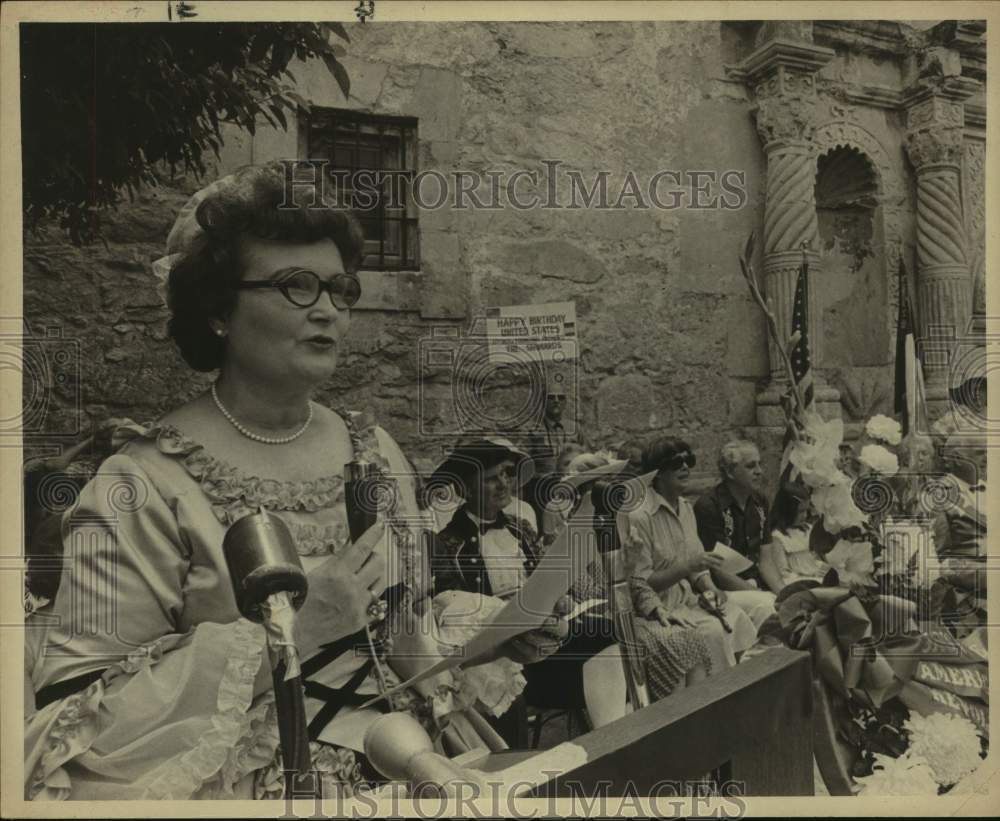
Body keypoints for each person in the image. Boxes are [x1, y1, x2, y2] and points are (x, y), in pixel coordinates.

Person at [23, 162, 563, 801]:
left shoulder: (377, 452)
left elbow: (397, 630)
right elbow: (75, 728)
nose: (328, 311)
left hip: (409, 761)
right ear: (219, 309)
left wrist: (490, 633)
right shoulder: (141, 484)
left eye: (340, 289)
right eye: (297, 286)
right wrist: (294, 631)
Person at [429, 437, 627, 735]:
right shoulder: (447, 543)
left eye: (507, 475)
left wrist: (560, 599)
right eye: (491, 479)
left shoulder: (520, 528)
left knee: (607, 631)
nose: (503, 484)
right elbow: (457, 615)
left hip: (543, 635)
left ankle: (614, 735)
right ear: (466, 488)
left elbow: (544, 578)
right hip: (504, 653)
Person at [617, 436, 773, 673]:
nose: (684, 467)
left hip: (690, 600)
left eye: (688, 460)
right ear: (657, 473)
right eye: (675, 463)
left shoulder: (685, 508)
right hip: (661, 607)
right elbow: (642, 582)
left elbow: (699, 566)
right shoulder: (640, 516)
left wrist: (711, 590)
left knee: (736, 616)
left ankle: (746, 682)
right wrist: (686, 568)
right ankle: (718, 695)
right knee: (713, 631)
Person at [693, 440, 782, 594]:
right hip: (725, 590)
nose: (759, 471)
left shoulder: (760, 501)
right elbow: (718, 572)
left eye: (759, 464)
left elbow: (766, 561)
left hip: (757, 584)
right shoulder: (708, 506)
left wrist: (782, 594)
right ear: (729, 472)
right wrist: (762, 596)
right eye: (750, 466)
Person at [759, 484, 831, 591]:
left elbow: (816, 556)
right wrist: (811, 576)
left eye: (807, 510)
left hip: (816, 576)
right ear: (787, 511)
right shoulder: (777, 538)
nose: (805, 515)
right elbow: (784, 573)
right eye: (801, 511)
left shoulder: (809, 529)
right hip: (798, 582)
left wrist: (822, 567)